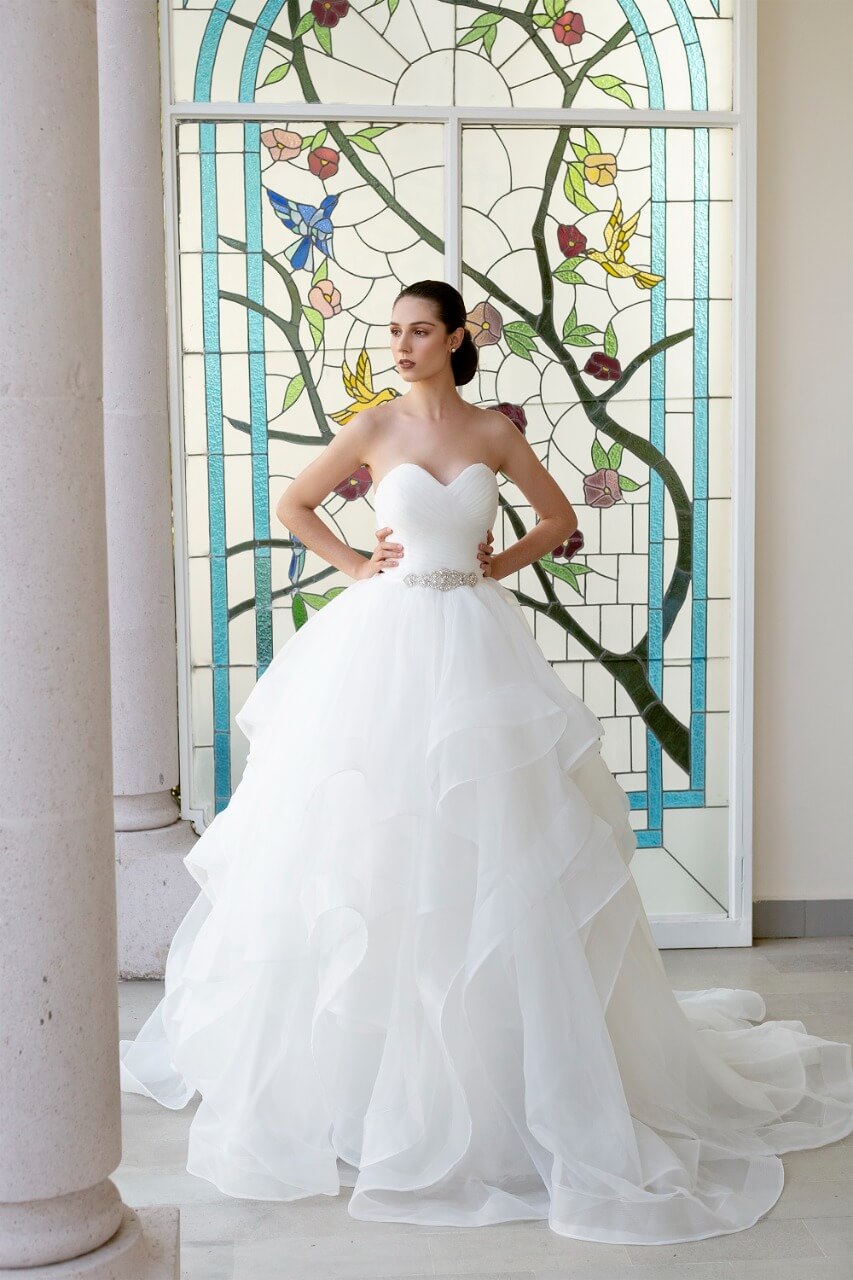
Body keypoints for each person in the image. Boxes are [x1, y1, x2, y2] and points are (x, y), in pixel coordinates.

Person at [120, 279, 853, 1245]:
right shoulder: (373, 425)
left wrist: (495, 567)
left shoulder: (494, 433)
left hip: (472, 639)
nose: (401, 344)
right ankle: (361, 1080)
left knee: (494, 837)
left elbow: (555, 518)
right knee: (372, 843)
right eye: (393, 330)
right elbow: (295, 502)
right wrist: (354, 565)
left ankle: (500, 1064)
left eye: (419, 330)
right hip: (383, 645)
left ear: (456, 337)